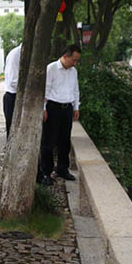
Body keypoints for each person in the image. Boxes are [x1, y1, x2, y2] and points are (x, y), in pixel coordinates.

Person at [40, 43, 81, 185]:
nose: (75, 63)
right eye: (73, 60)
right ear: (65, 56)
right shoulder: (51, 69)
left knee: (64, 141)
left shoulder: (73, 71)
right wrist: (43, 108)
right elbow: (45, 90)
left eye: (77, 60)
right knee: (48, 142)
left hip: (67, 108)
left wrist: (76, 107)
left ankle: (62, 168)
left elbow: (76, 89)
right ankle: (46, 172)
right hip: (52, 108)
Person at [2, 43, 21, 135]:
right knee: (13, 130)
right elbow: (13, 81)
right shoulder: (16, 55)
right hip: (13, 96)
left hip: (21, 96)